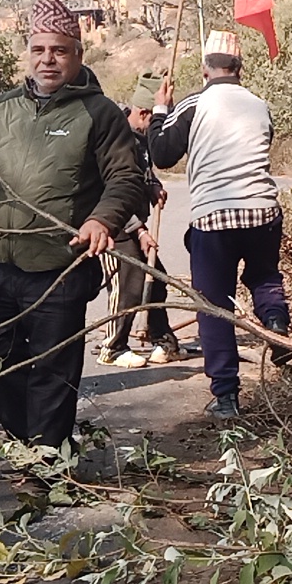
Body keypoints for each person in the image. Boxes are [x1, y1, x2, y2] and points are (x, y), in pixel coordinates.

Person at [0, 0, 149, 450]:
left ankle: (44, 462)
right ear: (27, 53)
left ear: (77, 56)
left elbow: (126, 179)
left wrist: (103, 220)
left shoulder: (98, 114)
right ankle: (30, 444)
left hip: (60, 266)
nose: (48, 60)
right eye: (39, 50)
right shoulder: (3, 107)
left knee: (53, 372)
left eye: (59, 50)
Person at [149, 31, 292, 420]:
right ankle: (277, 324)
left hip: (214, 217)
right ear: (239, 68)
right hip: (263, 210)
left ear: (205, 68)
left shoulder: (196, 103)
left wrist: (161, 110)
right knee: (264, 277)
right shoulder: (259, 105)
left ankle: (226, 396)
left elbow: (161, 154)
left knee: (213, 305)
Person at [98, 74, 183, 368]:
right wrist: (140, 229)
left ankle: (163, 340)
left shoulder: (141, 137)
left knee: (156, 280)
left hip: (136, 225)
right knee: (128, 285)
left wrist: (153, 186)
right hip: (116, 226)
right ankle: (113, 346)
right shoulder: (114, 136)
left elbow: (141, 173)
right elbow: (113, 188)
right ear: (144, 113)